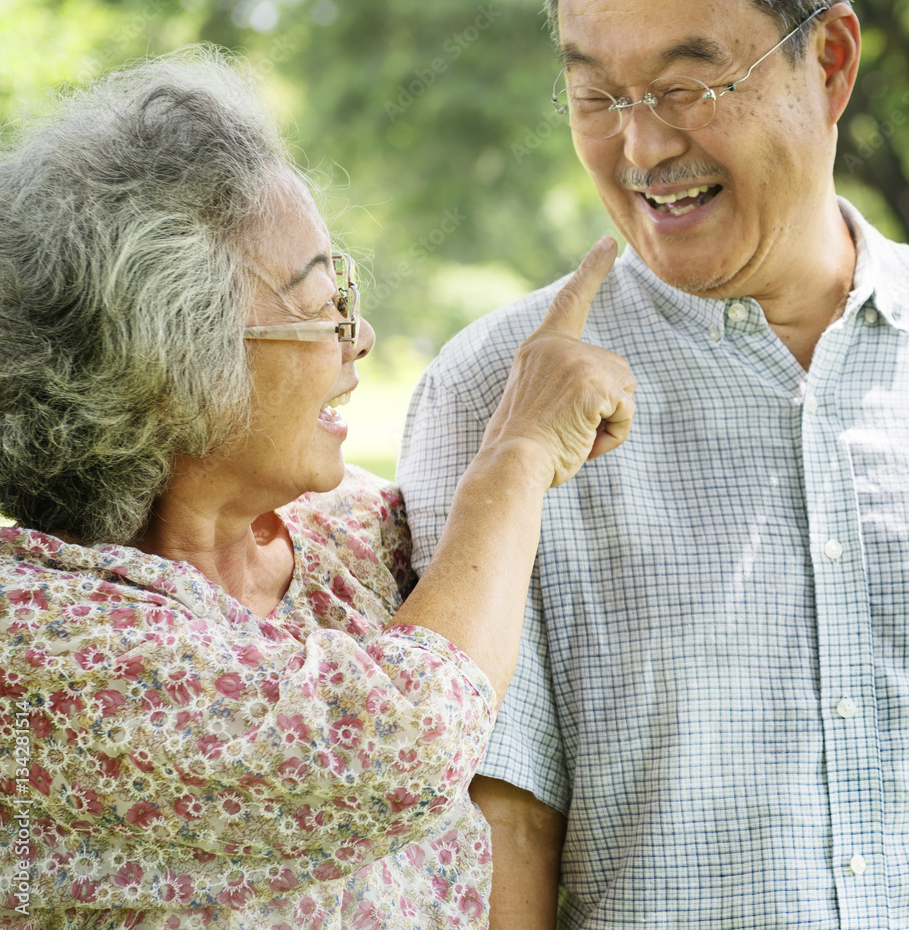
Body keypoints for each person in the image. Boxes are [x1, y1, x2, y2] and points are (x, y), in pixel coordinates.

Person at [397, 0, 909, 927]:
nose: (641, 148)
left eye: (688, 86)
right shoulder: (493, 399)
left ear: (831, 61)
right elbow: (498, 830)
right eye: (596, 96)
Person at [0, 46, 635, 929]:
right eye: (322, 300)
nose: (360, 334)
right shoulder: (42, 644)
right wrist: (517, 452)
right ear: (177, 362)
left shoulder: (351, 533)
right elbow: (398, 743)